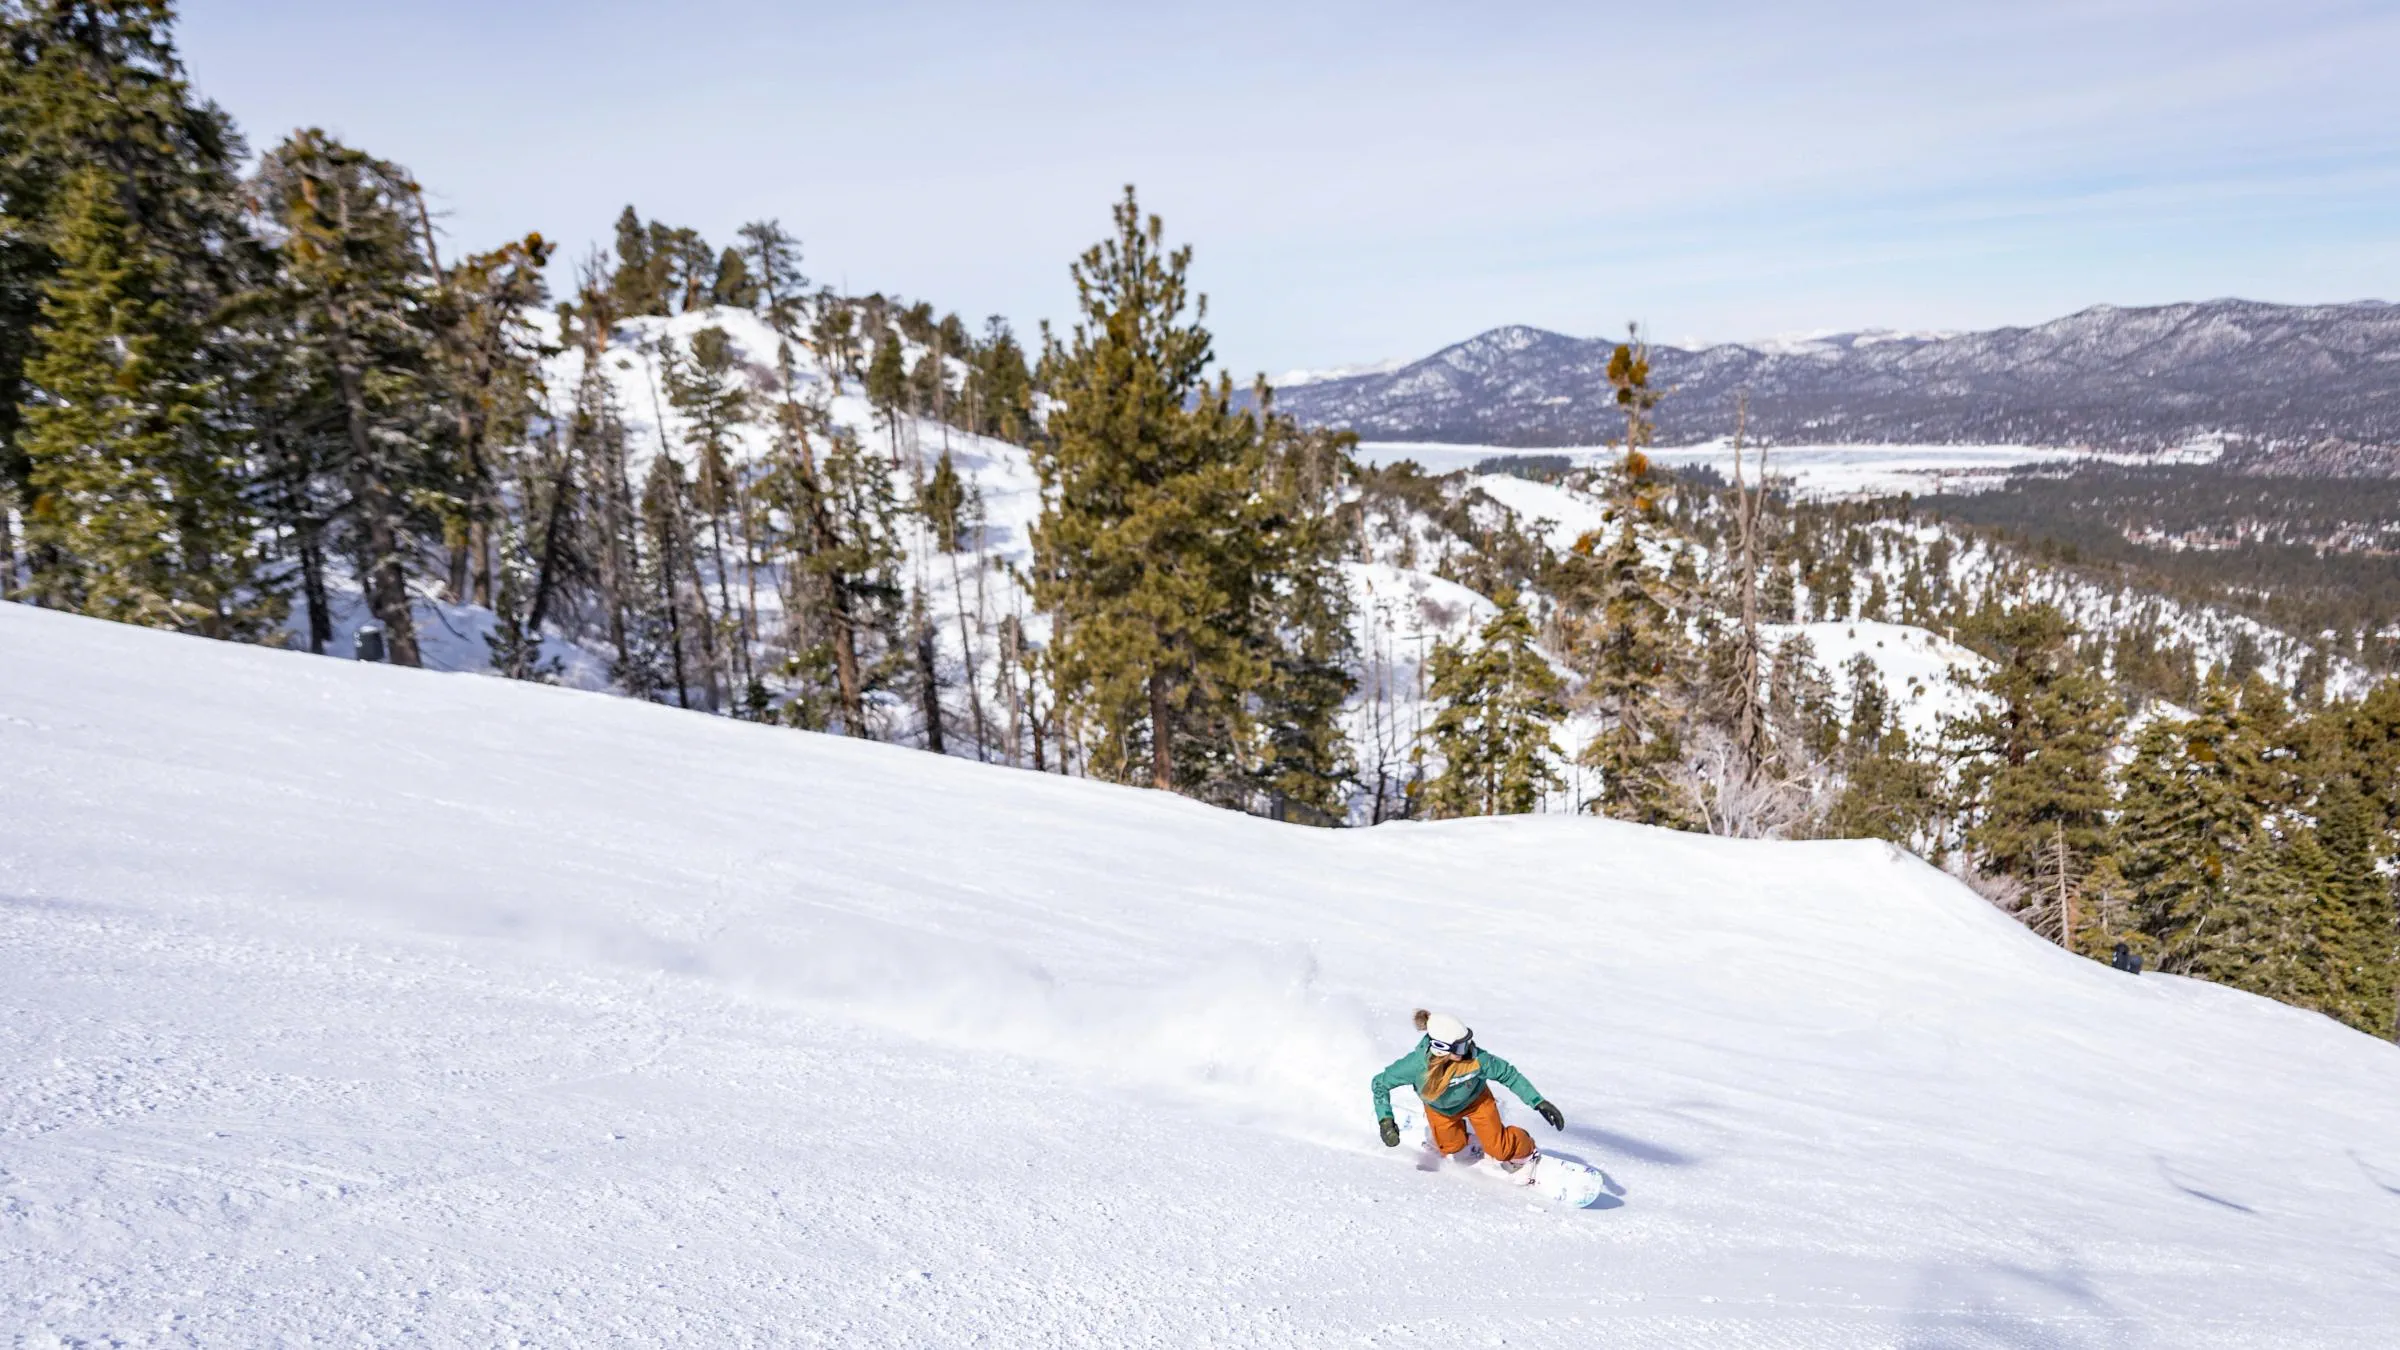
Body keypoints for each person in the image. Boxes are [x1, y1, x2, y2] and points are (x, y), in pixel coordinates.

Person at [1371, 1009, 1564, 1169]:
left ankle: (1527, 1149)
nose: (1469, 1049)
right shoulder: (1414, 1066)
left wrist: (1538, 1102)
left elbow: (1508, 1074)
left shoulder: (1476, 1059)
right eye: (1461, 1046)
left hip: (1477, 1102)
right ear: (1440, 1048)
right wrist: (1385, 1120)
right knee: (1450, 1147)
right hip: (1440, 1110)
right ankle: (1466, 1137)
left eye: (1467, 1042)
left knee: (1500, 1149)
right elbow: (1380, 1083)